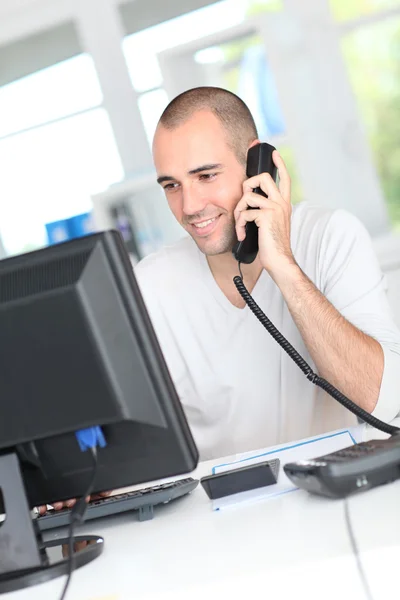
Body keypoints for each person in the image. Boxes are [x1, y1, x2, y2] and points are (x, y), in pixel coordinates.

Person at [134, 86, 400, 461]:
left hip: (339, 499)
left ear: (256, 163)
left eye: (206, 176)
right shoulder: (148, 287)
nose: (189, 206)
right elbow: (133, 445)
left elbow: (382, 401)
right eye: (172, 185)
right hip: (220, 512)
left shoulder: (331, 237)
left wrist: (283, 266)